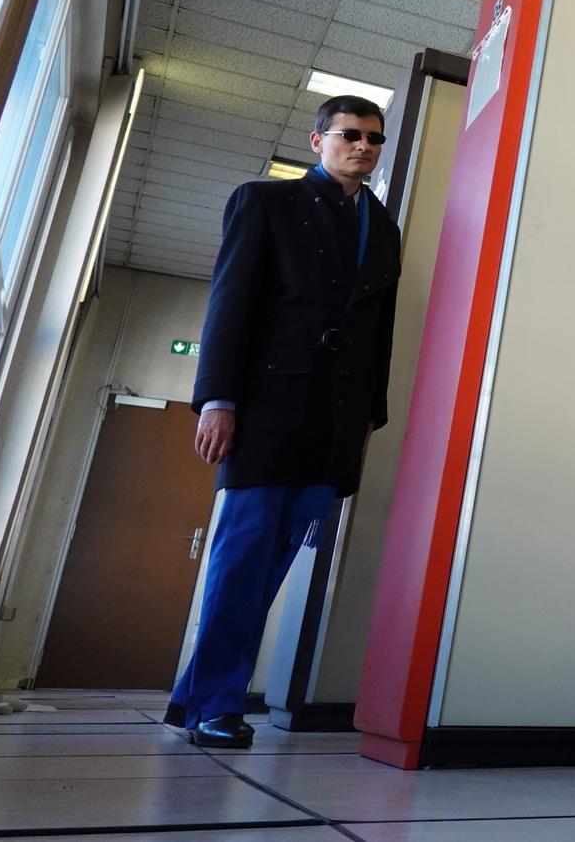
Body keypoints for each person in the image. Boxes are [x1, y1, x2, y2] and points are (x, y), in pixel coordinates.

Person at [166, 96, 401, 748]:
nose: (363, 147)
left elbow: (377, 331)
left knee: (274, 565)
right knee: (242, 558)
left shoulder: (382, 227)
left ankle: (198, 696)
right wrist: (218, 399)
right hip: (267, 410)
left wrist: (369, 418)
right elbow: (230, 302)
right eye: (350, 135)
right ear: (318, 140)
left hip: (335, 420)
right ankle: (217, 702)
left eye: (374, 139)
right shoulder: (265, 201)